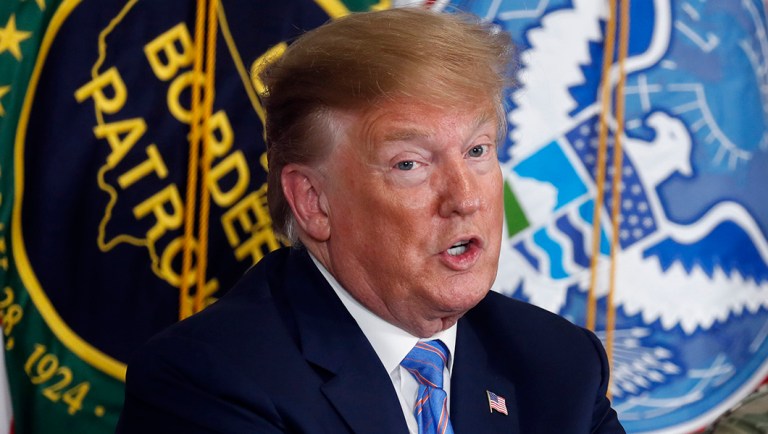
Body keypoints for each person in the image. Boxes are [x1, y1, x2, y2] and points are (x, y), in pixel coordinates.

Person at [117, 7, 625, 433]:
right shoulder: (210, 381)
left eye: (477, 150)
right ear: (314, 202)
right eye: (410, 164)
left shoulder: (557, 362)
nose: (465, 198)